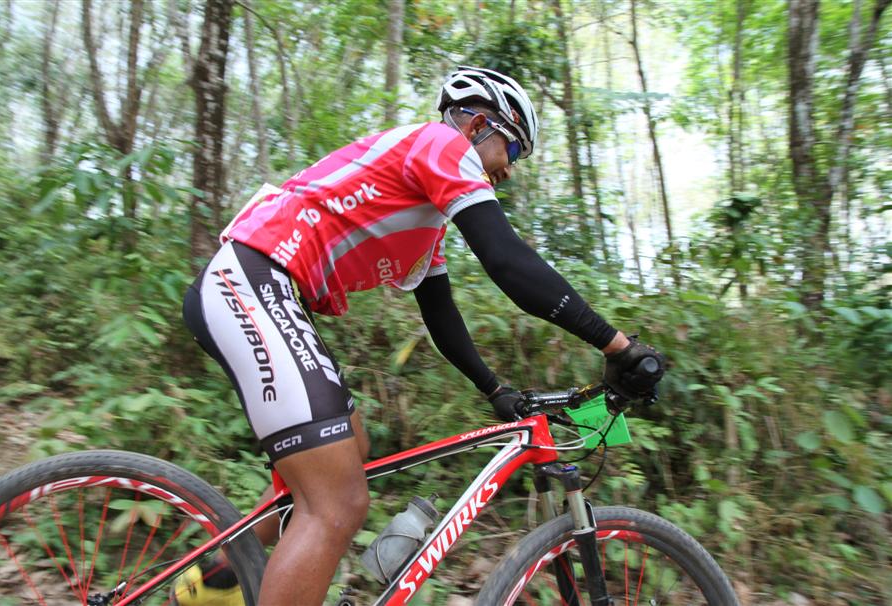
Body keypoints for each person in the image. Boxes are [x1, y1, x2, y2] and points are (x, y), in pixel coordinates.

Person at [175, 66, 664, 605]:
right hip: (253, 281)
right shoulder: (441, 144)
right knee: (337, 504)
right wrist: (618, 345)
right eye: (513, 149)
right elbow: (508, 262)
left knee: (348, 450)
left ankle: (211, 585)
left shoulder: (423, 218)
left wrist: (493, 388)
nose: (509, 169)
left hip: (264, 289)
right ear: (478, 125)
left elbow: (441, 314)